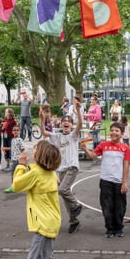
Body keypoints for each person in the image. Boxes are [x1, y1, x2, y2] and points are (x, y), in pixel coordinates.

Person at [11, 140, 69, 259]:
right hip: (51, 222)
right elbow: (36, 170)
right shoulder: (50, 172)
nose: (32, 151)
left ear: (40, 156)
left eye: (35, 150)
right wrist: (27, 166)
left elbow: (16, 185)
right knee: (48, 257)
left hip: (44, 225)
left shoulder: (36, 173)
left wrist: (21, 165)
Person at [81, 122, 130, 238]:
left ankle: (119, 227)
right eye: (112, 130)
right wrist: (85, 149)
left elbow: (126, 166)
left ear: (122, 134)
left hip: (118, 182)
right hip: (105, 181)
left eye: (117, 131)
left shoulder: (125, 148)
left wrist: (124, 182)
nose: (114, 133)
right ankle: (109, 228)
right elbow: (92, 155)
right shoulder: (103, 145)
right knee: (106, 205)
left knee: (120, 206)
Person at [40, 100, 83, 234]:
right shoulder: (57, 136)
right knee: (65, 195)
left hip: (72, 166)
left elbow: (80, 124)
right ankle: (74, 221)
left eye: (69, 121)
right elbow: (43, 132)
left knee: (62, 189)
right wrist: (42, 119)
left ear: (71, 125)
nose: (66, 123)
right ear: (61, 124)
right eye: (64, 121)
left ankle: (76, 205)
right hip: (61, 169)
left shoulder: (73, 136)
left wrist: (78, 112)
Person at [4, 124, 25, 193]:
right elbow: (13, 148)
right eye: (14, 130)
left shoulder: (20, 140)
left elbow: (23, 149)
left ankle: (14, 186)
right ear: (12, 132)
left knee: (14, 173)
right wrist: (6, 148)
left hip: (18, 160)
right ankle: (17, 186)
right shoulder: (12, 140)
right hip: (13, 159)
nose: (15, 132)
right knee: (15, 173)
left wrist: (22, 158)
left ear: (20, 132)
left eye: (17, 130)